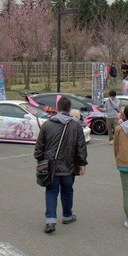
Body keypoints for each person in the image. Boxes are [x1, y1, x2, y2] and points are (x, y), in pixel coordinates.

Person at [34, 97, 88, 234]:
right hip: (69, 165)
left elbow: (39, 147)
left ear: (57, 108)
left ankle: (50, 220)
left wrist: (41, 160)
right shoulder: (76, 126)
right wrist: (82, 163)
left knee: (51, 191)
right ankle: (67, 215)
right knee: (68, 191)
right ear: (70, 109)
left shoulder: (47, 124)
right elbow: (81, 147)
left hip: (51, 165)